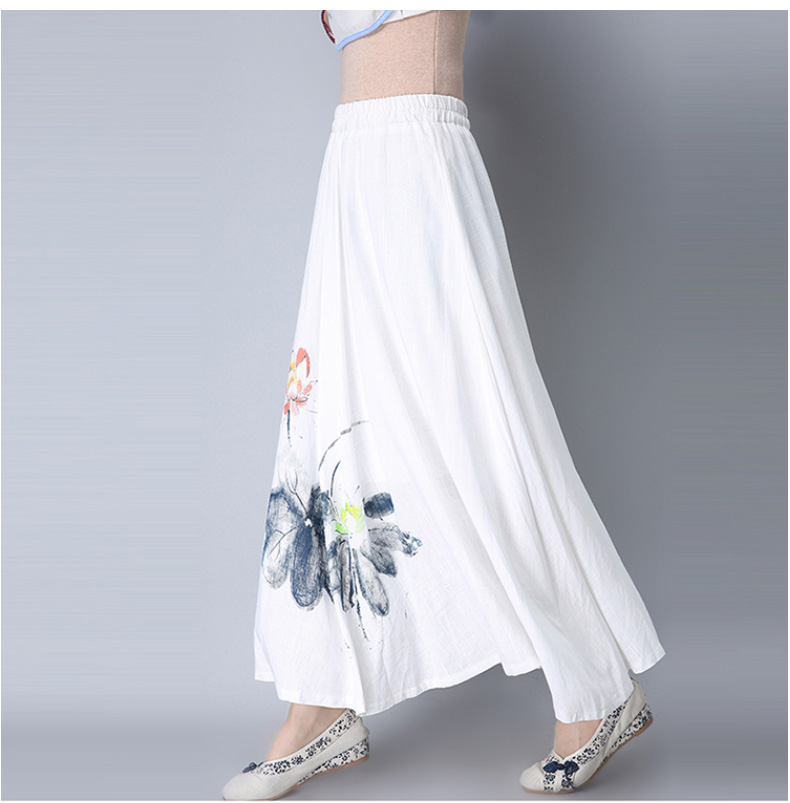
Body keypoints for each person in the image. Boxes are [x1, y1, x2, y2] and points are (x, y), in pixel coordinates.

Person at [222, 10, 666, 800]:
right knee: (332, 431)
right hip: (351, 166)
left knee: (481, 434)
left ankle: (597, 688)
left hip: (422, 172)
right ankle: (318, 703)